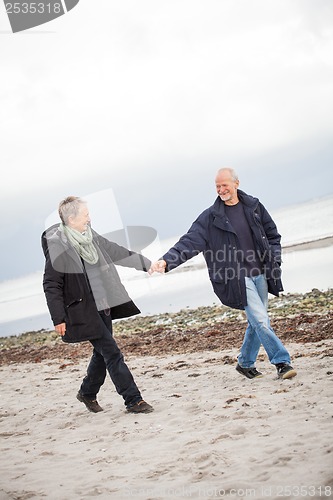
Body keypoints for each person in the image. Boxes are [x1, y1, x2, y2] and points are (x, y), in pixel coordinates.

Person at [149, 168, 297, 380]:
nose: (221, 190)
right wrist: (166, 261)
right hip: (236, 277)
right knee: (262, 320)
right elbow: (189, 242)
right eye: (217, 186)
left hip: (261, 273)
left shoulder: (254, 206)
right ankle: (282, 362)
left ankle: (245, 363)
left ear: (236, 183)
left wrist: (275, 260)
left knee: (257, 321)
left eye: (225, 185)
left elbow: (273, 236)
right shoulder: (211, 217)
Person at [42, 196, 154, 414]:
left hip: (105, 304)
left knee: (102, 353)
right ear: (71, 218)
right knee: (112, 353)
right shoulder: (59, 246)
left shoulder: (90, 236)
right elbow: (51, 283)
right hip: (83, 310)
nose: (89, 218)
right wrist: (58, 317)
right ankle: (133, 400)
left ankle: (87, 392)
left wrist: (145, 264)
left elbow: (116, 251)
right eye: (85, 215)